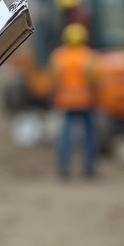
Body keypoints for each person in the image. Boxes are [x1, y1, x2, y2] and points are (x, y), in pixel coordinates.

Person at [50, 23, 97, 179]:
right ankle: (89, 169)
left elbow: (54, 78)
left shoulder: (59, 56)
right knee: (89, 134)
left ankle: (64, 169)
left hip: (66, 101)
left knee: (66, 135)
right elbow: (94, 78)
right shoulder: (89, 55)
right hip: (85, 101)